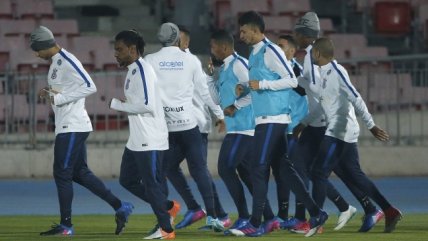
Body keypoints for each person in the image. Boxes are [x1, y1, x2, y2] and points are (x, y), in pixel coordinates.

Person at [229, 11, 328, 237]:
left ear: (255, 30)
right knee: (284, 169)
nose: (240, 35)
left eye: (243, 31)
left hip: (274, 119)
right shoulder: (254, 53)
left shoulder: (270, 50)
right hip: (266, 118)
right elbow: (261, 84)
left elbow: (291, 80)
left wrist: (261, 84)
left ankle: (258, 221)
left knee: (257, 167)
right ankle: (316, 212)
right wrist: (244, 90)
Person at [31, 26, 133, 236]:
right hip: (69, 125)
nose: (36, 54)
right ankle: (120, 206)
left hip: (72, 126)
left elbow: (90, 86)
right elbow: (68, 88)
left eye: (37, 50)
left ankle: (66, 226)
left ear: (43, 45)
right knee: (79, 173)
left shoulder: (68, 61)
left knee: (62, 173)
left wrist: (58, 98)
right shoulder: (56, 64)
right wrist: (49, 91)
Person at [292, 12, 384, 233]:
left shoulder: (311, 57)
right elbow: (315, 92)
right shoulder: (311, 56)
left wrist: (290, 78)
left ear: (305, 35)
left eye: (297, 31)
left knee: (327, 171)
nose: (295, 34)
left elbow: (314, 90)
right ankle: (355, 209)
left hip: (325, 124)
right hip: (317, 122)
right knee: (320, 170)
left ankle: (317, 218)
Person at [309, 37, 402, 233]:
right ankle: (387, 210)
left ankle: (316, 221)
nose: (310, 55)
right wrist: (304, 124)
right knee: (354, 175)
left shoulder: (336, 71)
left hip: (340, 131)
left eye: (312, 52)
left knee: (318, 172)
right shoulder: (323, 72)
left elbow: (356, 97)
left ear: (317, 53)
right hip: (337, 129)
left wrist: (371, 125)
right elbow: (324, 103)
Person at [144, 22, 224, 231]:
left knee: (160, 173)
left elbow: (145, 94)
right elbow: (205, 92)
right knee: (199, 170)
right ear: (177, 39)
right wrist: (219, 114)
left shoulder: (149, 60)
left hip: (165, 128)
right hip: (189, 126)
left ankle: (165, 219)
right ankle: (213, 217)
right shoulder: (190, 60)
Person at [277, 34, 358, 233]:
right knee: (306, 172)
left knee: (302, 172)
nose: (278, 49)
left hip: (303, 127)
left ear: (292, 51)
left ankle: (307, 218)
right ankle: (341, 207)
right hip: (295, 127)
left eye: (281, 46)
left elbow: (313, 94)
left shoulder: (296, 71)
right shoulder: (282, 70)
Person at [109, 30, 179, 240]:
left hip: (151, 138)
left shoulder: (142, 69)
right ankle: (168, 206)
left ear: (132, 49)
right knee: (127, 180)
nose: (116, 54)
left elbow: (147, 105)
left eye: (119, 50)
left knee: (151, 184)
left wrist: (117, 105)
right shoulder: (132, 70)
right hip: (137, 139)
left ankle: (166, 229)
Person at [166, 25, 231, 230]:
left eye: (177, 40)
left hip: (197, 126)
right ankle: (200, 209)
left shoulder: (192, 64)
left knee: (198, 170)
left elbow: (208, 95)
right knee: (171, 166)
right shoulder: (170, 64)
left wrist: (219, 115)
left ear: (185, 43)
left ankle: (217, 214)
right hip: (178, 126)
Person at [208, 29, 256, 234]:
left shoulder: (239, 65)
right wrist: (210, 78)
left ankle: (245, 217)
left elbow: (255, 91)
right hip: (236, 128)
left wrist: (235, 106)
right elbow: (218, 100)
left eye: (213, 46)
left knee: (225, 168)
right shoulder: (224, 68)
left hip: (245, 128)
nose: (211, 50)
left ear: (224, 47)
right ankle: (268, 216)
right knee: (245, 173)